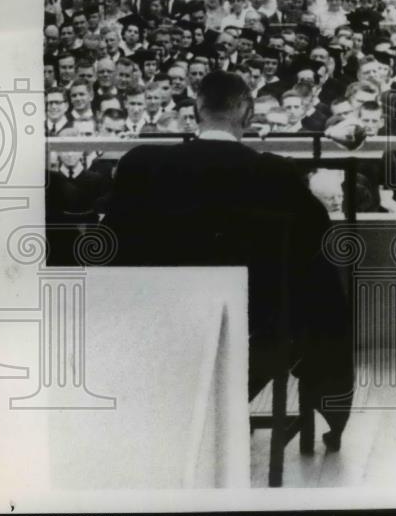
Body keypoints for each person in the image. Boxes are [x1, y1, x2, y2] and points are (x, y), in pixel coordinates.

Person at [102, 71, 353, 449]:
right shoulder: (274, 174)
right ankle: (238, 405)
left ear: (196, 111)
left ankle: (177, 409)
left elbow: (114, 245)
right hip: (255, 323)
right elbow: (315, 243)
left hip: (161, 317)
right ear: (248, 114)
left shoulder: (143, 167)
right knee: (313, 298)